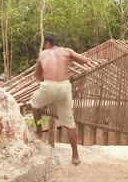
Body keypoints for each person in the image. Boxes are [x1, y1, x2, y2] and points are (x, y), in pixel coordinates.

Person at [31, 33, 90, 165]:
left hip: (49, 86)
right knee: (69, 121)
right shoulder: (67, 51)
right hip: (64, 87)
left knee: (34, 102)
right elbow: (84, 60)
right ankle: (75, 156)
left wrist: (45, 79)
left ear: (48, 44)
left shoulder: (43, 54)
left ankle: (39, 131)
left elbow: (37, 75)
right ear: (57, 44)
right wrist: (71, 59)